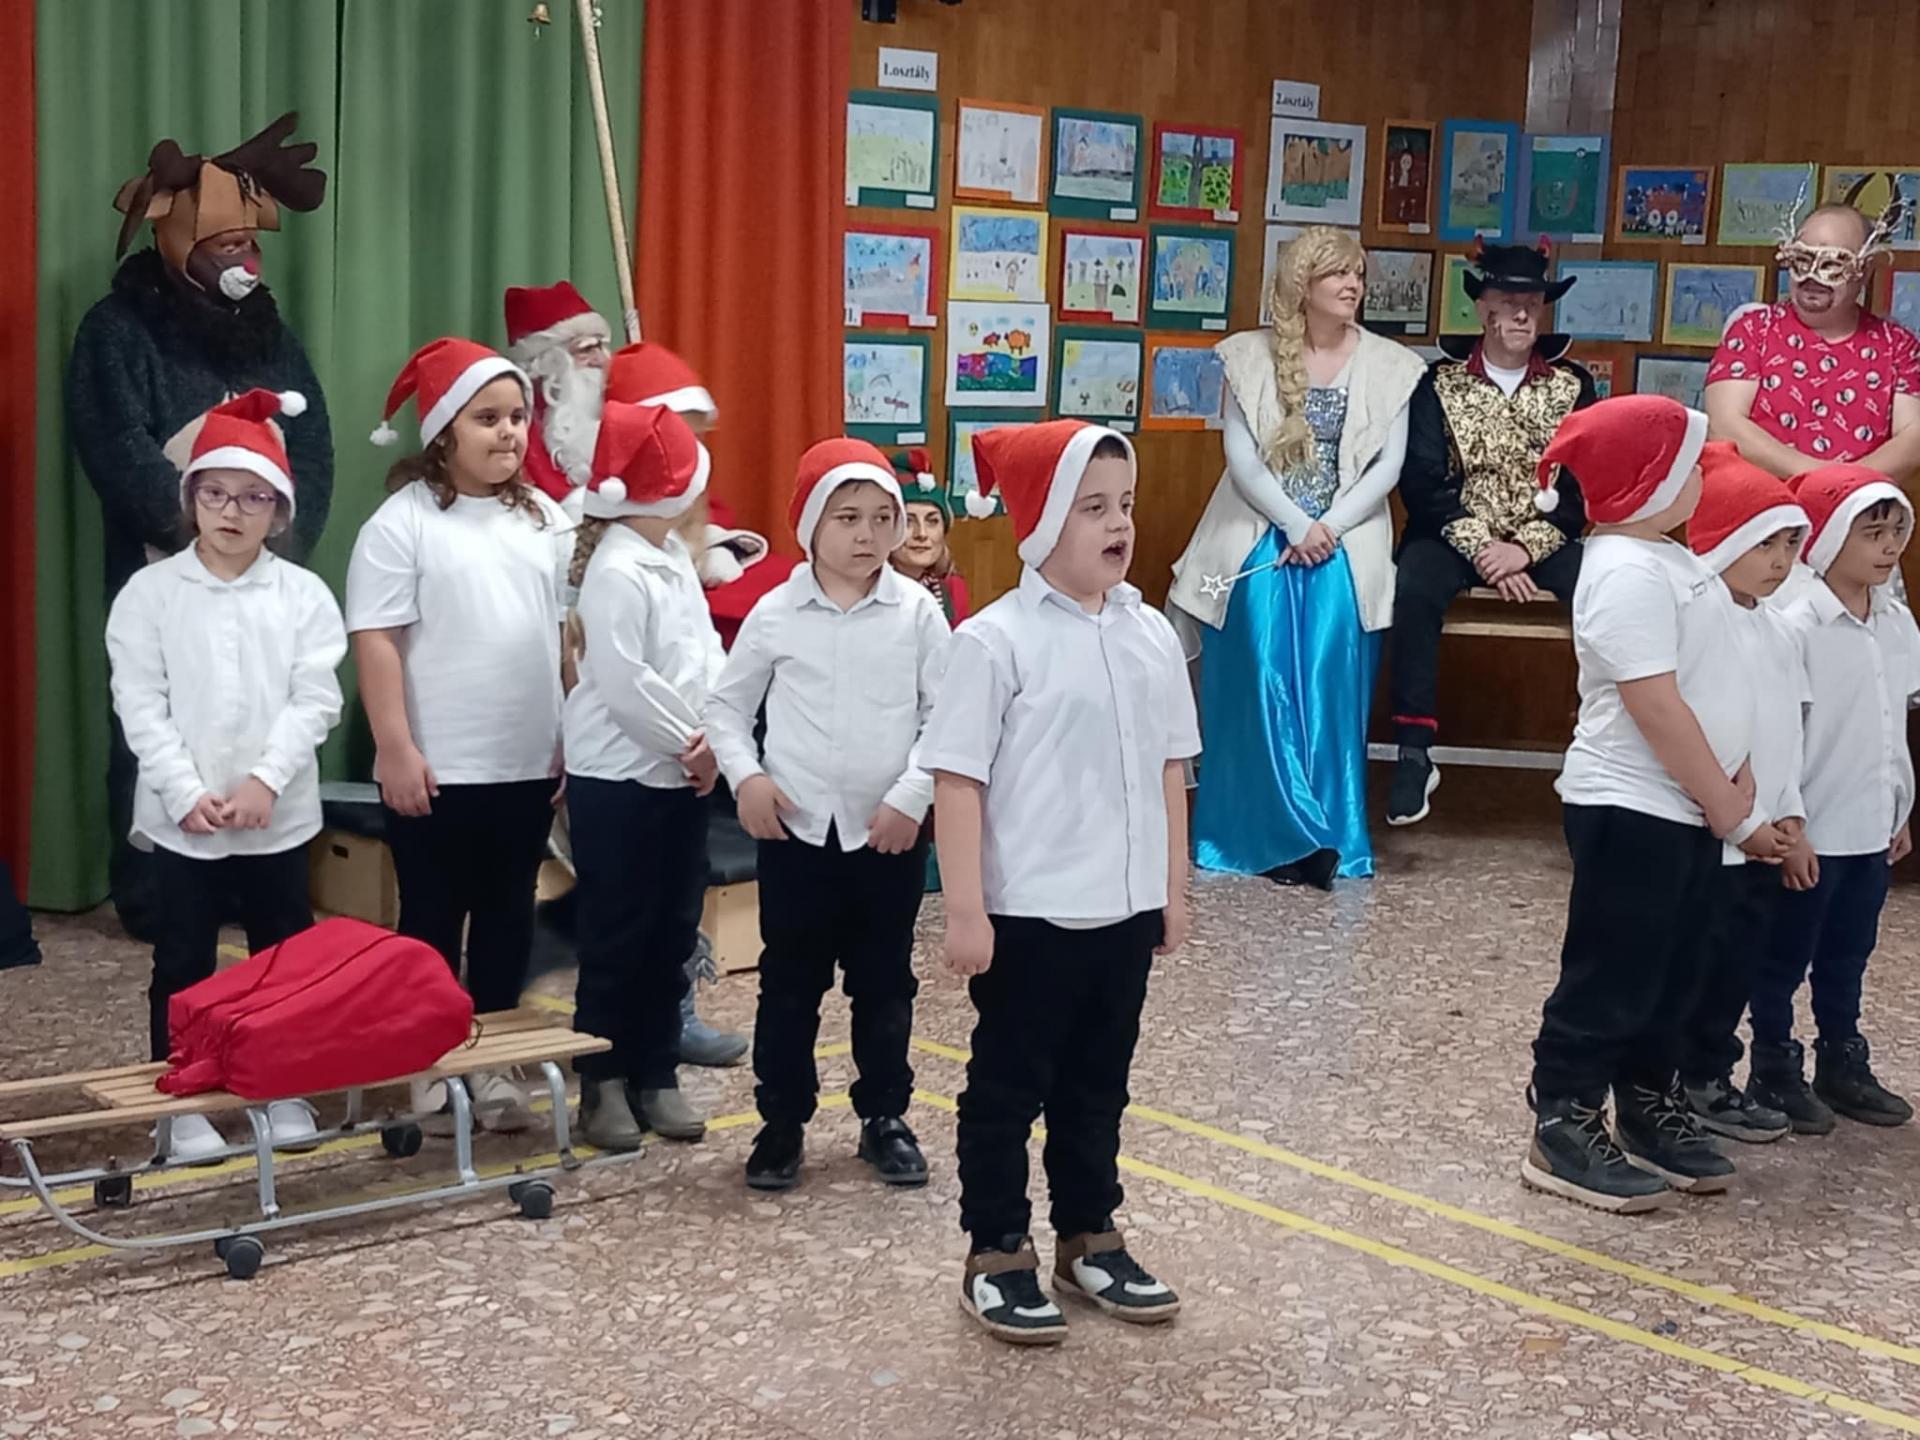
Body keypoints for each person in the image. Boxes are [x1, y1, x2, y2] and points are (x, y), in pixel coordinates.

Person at [921, 420, 1199, 1345]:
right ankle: (997, 1249)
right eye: (1092, 509)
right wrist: (967, 911)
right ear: (1040, 521)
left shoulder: (1150, 634)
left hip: (1124, 910)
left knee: (1099, 1085)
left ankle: (1090, 1234)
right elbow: (958, 780)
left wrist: (1172, 889)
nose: (1119, 525)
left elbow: (1170, 768)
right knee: (1008, 1090)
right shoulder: (993, 642)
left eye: (1125, 505)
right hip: (1031, 914)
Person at [1519, 396, 1790, 1215]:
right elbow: (1657, 707)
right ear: (1651, 482)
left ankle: (1645, 1098)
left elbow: (1711, 677)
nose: (1705, 477)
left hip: (1686, 808)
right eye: (1690, 465)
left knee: (1674, 967)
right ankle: (1564, 1117)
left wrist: (1734, 775)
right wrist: (1730, 809)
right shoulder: (1622, 571)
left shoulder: (1668, 558)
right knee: (1615, 968)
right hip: (1633, 807)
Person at [68, 113, 332, 941]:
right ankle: (157, 889)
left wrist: (278, 536)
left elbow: (310, 444)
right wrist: (200, 535)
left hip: (262, 572)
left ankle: (256, 877)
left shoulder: (270, 334)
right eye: (224, 246)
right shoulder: (117, 331)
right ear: (180, 243)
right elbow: (115, 443)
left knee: (262, 712)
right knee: (156, 720)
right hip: (164, 570)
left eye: (248, 246)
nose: (241, 259)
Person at [105, 389, 345, 1161]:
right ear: (191, 501)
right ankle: (182, 1101)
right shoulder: (150, 595)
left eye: (252, 497)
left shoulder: (304, 596)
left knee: (282, 955)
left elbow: (316, 699)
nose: (231, 512)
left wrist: (265, 781)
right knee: (184, 959)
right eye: (214, 494)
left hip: (278, 815)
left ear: (279, 512)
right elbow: (140, 702)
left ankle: (281, 1086)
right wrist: (183, 790)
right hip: (185, 819)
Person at [708, 439, 950, 1192]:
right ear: (810, 524)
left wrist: (911, 797)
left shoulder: (917, 613)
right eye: (847, 517)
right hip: (797, 835)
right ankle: (781, 1122)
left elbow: (948, 716)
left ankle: (885, 1116)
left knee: (885, 985)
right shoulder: (776, 613)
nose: (867, 534)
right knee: (789, 985)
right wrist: (747, 777)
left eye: (883, 517)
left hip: (887, 838)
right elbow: (725, 708)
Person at [510, 304, 748, 1068]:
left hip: (675, 750)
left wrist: (712, 734)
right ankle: (613, 1058)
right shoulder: (593, 533)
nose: (595, 357)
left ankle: (662, 1033)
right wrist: (689, 740)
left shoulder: (670, 540)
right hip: (617, 752)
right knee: (618, 912)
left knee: (669, 903)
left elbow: (698, 643)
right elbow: (596, 660)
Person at [348, 338, 572, 1134]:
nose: (508, 432)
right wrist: (395, 747)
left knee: (509, 915)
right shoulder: (402, 523)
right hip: (437, 767)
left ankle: (495, 1061)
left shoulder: (545, 517)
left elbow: (562, 634)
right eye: (487, 418)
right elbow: (376, 639)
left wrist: (569, 737)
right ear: (444, 430)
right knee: (433, 919)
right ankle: (433, 1069)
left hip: (525, 763)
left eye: (517, 417)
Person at [1169, 227, 1424, 887]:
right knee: (1257, 666)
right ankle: (1256, 834)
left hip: (1344, 540)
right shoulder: (1247, 357)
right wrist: (1294, 524)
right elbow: (1242, 460)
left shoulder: (1392, 366)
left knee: (1329, 675)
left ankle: (1326, 834)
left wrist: (1326, 529)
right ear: (1302, 284)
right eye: (1338, 274)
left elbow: (1387, 466)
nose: (1353, 286)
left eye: (1358, 275)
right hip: (1260, 534)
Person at [1387, 240, 1596, 827]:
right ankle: (1413, 751)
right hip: (1455, 534)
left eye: (1533, 302)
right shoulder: (1437, 383)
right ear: (1482, 308)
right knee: (1414, 585)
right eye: (1508, 300)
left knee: (1606, 589)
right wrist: (1484, 549)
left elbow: (1581, 488)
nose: (1522, 313)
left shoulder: (1574, 386)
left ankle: (1596, 749)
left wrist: (1525, 548)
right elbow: (1422, 481)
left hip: (1540, 536)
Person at [563, 402, 725, 1149]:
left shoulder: (673, 560)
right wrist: (691, 743)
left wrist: (716, 736)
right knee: (616, 937)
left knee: (671, 932)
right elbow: (626, 681)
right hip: (620, 781)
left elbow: (707, 656)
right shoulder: (617, 569)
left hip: (681, 778)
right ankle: (602, 1080)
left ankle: (656, 1072)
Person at [1748, 465, 1918, 1132]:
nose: (1890, 545)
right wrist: (1791, 829)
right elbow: (1779, 736)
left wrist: (1898, 807)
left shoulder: (1898, 623)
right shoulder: (1795, 625)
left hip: (1870, 827)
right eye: (1872, 533)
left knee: (1849, 953)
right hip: (1813, 830)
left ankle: (1842, 1061)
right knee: (1783, 957)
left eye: (1898, 530)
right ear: (1825, 540)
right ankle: (1772, 1066)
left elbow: (1890, 724)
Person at [1676, 444, 1810, 1145]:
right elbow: (1705, 736)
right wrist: (1743, 820)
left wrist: (1791, 817)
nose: (1781, 562)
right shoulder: (1699, 621)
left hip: (1764, 841)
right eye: (1765, 544)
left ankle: (1710, 1075)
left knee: (1739, 966)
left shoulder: (1778, 630)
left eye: (1791, 545)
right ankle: (1684, 1080)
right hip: (1716, 837)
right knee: (1699, 964)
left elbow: (1787, 732)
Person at [1706, 204, 1920, 483]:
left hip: (1856, 504)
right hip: (1758, 505)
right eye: (1802, 260)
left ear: (1865, 270)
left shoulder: (1898, 347)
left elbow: (1913, 439)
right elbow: (1725, 425)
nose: (1812, 277)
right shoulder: (1753, 330)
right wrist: (1818, 476)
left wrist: (1848, 487)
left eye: (1832, 264)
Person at [503, 280, 614, 511]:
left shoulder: (614, 406)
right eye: (586, 349)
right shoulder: (520, 426)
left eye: (601, 346)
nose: (601, 360)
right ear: (549, 360)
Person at [887, 448, 972, 624]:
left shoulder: (953, 590)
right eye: (908, 521)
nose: (922, 534)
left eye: (932, 521)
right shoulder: (866, 591)